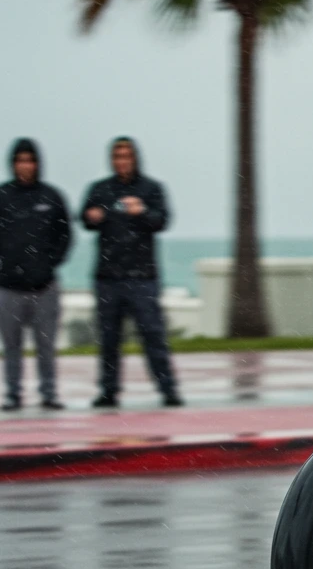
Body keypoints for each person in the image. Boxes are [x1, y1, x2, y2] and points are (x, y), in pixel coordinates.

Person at [80, 136, 182, 408]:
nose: (122, 162)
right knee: (108, 339)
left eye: (126, 156)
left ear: (135, 158)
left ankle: (168, 389)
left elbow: (162, 221)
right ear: (112, 160)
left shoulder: (151, 189)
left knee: (153, 335)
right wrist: (92, 217)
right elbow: (84, 219)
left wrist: (142, 212)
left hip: (143, 278)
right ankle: (108, 391)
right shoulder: (100, 190)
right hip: (107, 278)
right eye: (118, 157)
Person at [0, 138, 72, 410]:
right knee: (11, 347)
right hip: (8, 288)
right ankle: (13, 394)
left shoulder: (51, 197)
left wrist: (49, 264)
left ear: (37, 163)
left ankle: (49, 393)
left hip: (45, 287)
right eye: (20, 160)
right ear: (13, 163)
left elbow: (65, 236)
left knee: (46, 347)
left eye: (30, 160)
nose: (25, 166)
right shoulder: (3, 196)